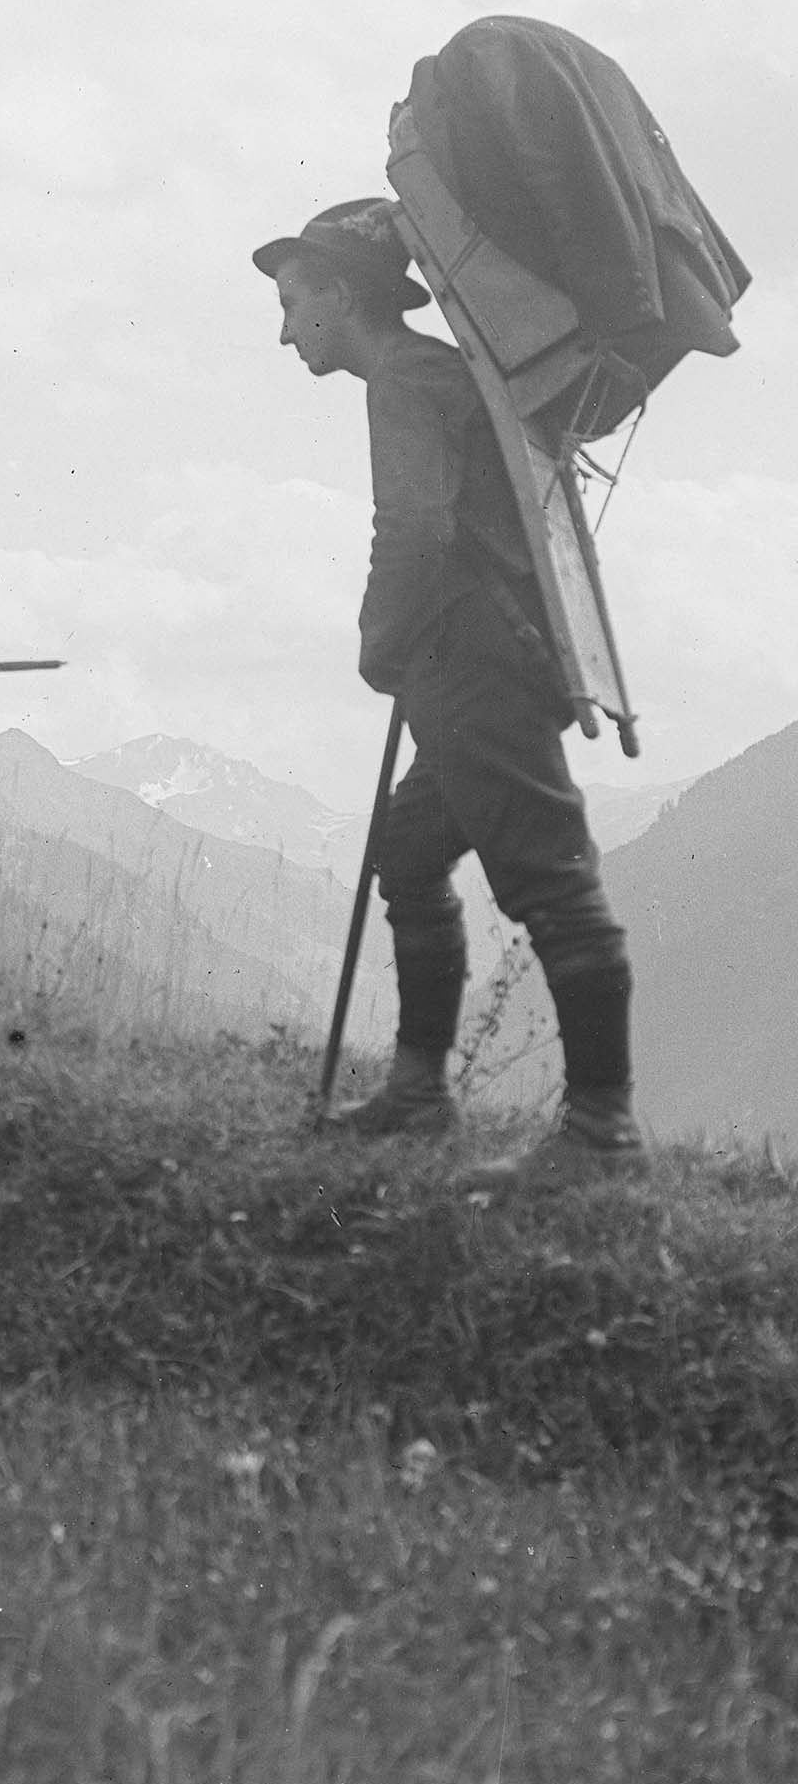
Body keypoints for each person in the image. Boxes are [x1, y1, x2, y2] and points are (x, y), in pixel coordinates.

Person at [253, 200, 644, 1185]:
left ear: (342, 294)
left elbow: (416, 528)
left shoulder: (406, 381)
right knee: (409, 844)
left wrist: (375, 640)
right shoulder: (431, 371)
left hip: (473, 660)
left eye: (294, 301)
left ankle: (601, 1132)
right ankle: (419, 1093)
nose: (284, 326)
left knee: (549, 876)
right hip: (472, 656)